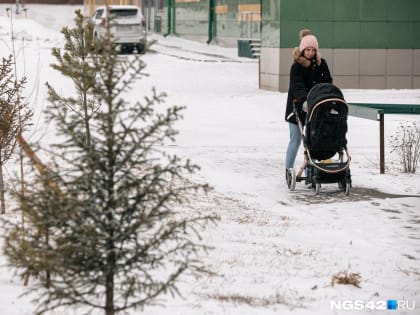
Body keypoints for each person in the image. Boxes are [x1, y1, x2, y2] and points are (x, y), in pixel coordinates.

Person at [284, 29, 332, 179]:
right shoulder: (296, 67)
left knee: (313, 140)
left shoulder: (321, 65)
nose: (310, 52)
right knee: (296, 140)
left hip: (316, 109)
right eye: (307, 49)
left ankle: (310, 170)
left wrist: (326, 98)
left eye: (313, 50)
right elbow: (296, 87)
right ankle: (288, 170)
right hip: (297, 108)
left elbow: (327, 82)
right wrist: (305, 100)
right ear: (302, 50)